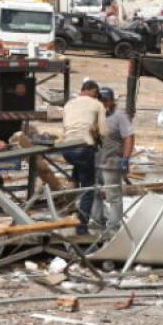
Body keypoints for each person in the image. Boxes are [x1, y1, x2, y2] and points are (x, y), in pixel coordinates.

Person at [58, 79, 106, 234]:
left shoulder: (68, 104)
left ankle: (72, 208)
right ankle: (82, 227)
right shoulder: (97, 104)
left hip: (67, 150)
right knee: (88, 189)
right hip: (84, 149)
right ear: (94, 92)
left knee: (78, 175)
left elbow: (66, 127)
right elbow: (103, 132)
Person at [95, 87, 134, 233]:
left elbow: (129, 137)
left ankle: (113, 229)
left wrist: (125, 159)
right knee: (95, 192)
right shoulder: (99, 114)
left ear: (112, 101)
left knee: (113, 197)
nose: (103, 103)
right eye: (101, 100)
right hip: (98, 161)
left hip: (112, 162)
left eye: (106, 100)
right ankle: (98, 221)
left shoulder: (119, 116)